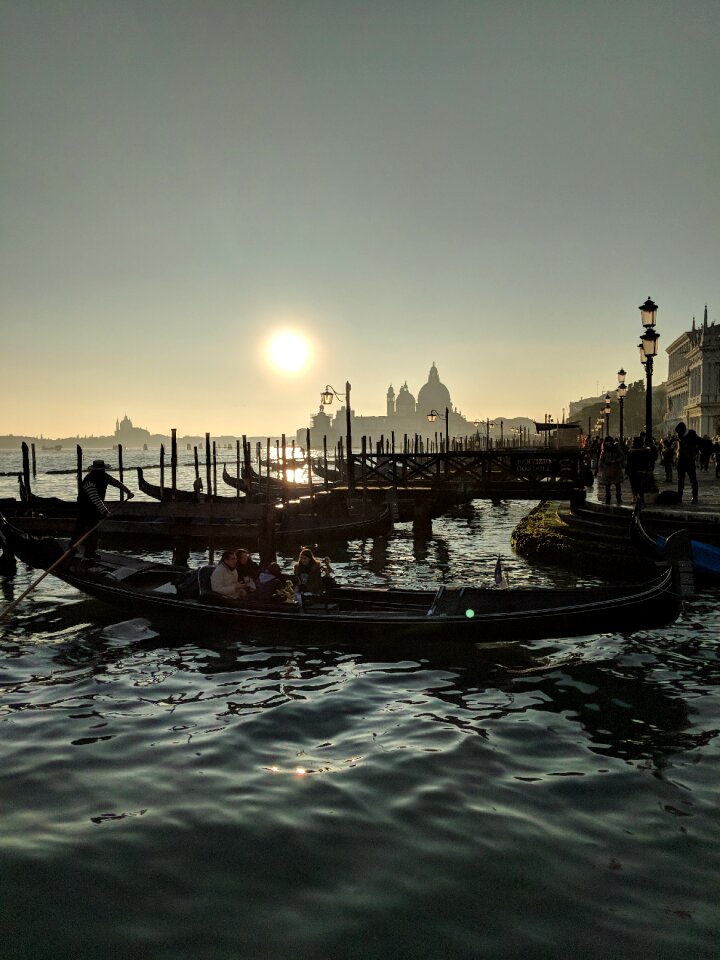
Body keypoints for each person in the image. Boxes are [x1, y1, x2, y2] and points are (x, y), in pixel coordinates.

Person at [72, 459, 134, 558]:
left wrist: (127, 491)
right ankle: (71, 550)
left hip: (95, 508)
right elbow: (95, 498)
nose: (103, 472)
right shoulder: (89, 480)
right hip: (84, 507)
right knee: (81, 528)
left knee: (93, 530)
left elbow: (116, 483)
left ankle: (90, 552)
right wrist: (105, 512)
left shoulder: (105, 477)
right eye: (102, 470)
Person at [675, 422, 699, 504]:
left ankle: (694, 497)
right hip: (683, 461)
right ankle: (680, 497)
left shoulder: (691, 435)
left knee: (692, 480)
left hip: (688, 461)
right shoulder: (681, 437)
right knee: (682, 480)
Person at [597, 436, 626, 505]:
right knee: (607, 486)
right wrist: (602, 466)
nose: (607, 443)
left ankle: (618, 498)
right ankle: (608, 499)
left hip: (616, 469)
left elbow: (622, 456)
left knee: (617, 485)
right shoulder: (604, 449)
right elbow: (601, 459)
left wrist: (614, 461)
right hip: (607, 470)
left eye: (608, 441)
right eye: (606, 442)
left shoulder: (616, 448)